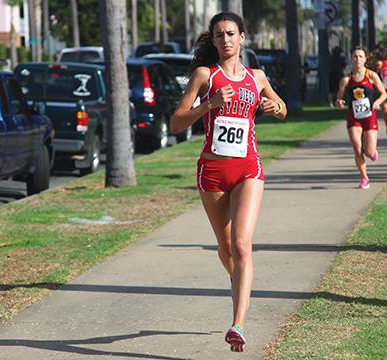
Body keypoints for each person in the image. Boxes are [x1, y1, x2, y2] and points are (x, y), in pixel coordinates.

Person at [170, 11, 287, 352]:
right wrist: (208, 104)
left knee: (241, 245)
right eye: (219, 35)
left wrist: (274, 106)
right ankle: (238, 281)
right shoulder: (205, 76)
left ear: (243, 37)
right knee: (226, 249)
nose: (225, 40)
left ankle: (237, 324)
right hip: (213, 173)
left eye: (231, 34)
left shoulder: (257, 76)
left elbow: (281, 107)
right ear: (214, 40)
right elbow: (177, 122)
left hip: (248, 169)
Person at [335, 46, 387, 190]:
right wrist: (339, 102)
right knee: (357, 149)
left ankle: (373, 153)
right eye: (355, 56)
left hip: (369, 115)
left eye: (360, 56)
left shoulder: (371, 76)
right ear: (351, 59)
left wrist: (377, 102)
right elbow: (338, 98)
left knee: (369, 152)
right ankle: (364, 177)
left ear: (365, 59)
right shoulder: (346, 80)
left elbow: (384, 94)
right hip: (354, 117)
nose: (358, 59)